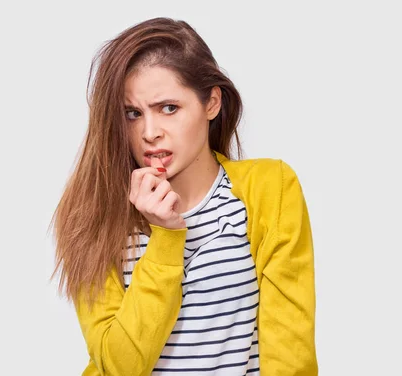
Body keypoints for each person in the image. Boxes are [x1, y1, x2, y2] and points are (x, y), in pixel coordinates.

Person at [51, 17, 318, 376]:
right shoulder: (91, 214)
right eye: (133, 114)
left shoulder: (272, 190)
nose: (148, 132)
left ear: (211, 103)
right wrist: (166, 237)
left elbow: (291, 354)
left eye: (169, 108)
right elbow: (119, 366)